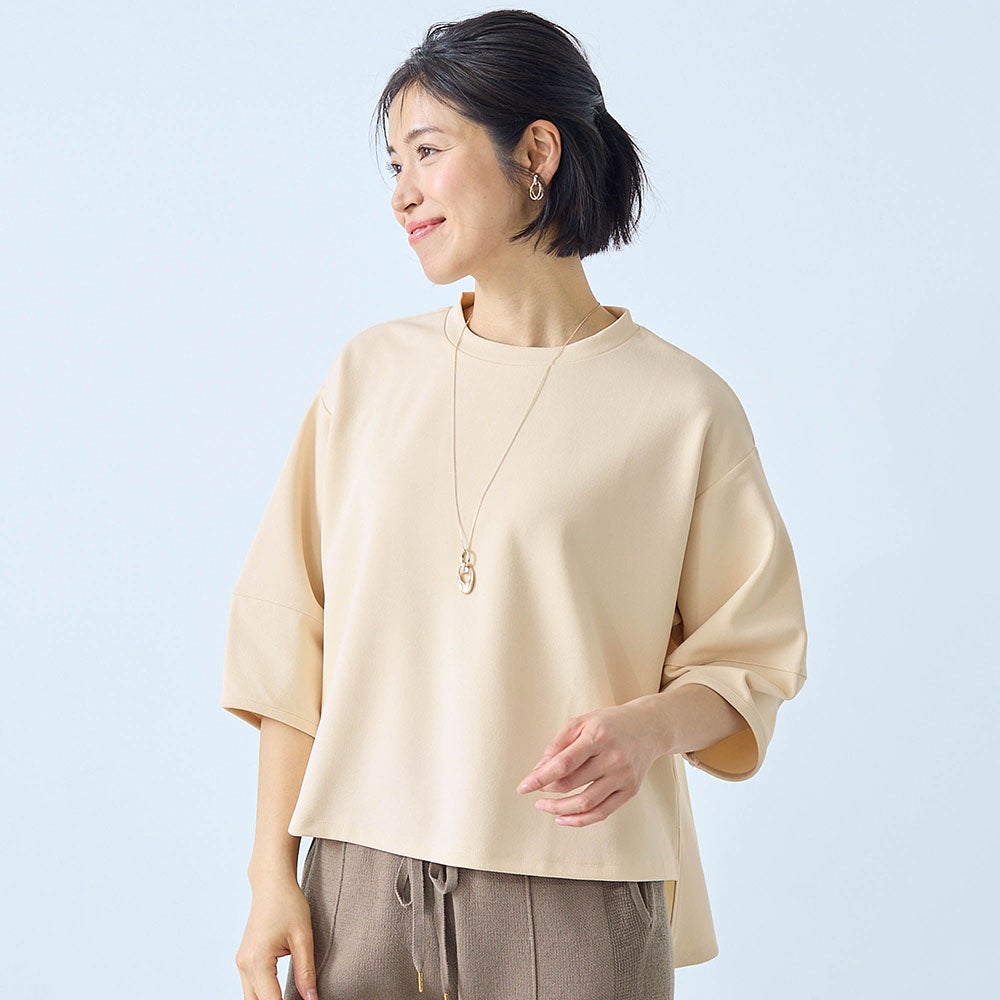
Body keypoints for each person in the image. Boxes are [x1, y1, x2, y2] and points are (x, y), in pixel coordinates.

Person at [221, 10, 808, 1000]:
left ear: (535, 151)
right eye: (394, 163)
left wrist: (649, 728)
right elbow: (291, 636)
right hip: (357, 886)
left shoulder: (681, 406)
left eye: (427, 151)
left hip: (575, 884)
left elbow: (749, 657)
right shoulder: (368, 376)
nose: (402, 191)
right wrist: (270, 874)